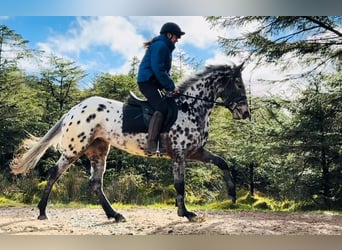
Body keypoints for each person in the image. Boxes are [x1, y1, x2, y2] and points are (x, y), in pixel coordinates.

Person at [137, 22, 185, 155]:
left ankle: (163, 143)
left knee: (168, 106)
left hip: (153, 83)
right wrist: (170, 86)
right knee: (162, 108)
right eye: (176, 37)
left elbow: (163, 72)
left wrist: (171, 87)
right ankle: (151, 145)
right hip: (147, 82)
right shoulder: (161, 46)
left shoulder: (164, 46)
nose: (177, 40)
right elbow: (158, 69)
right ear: (169, 35)